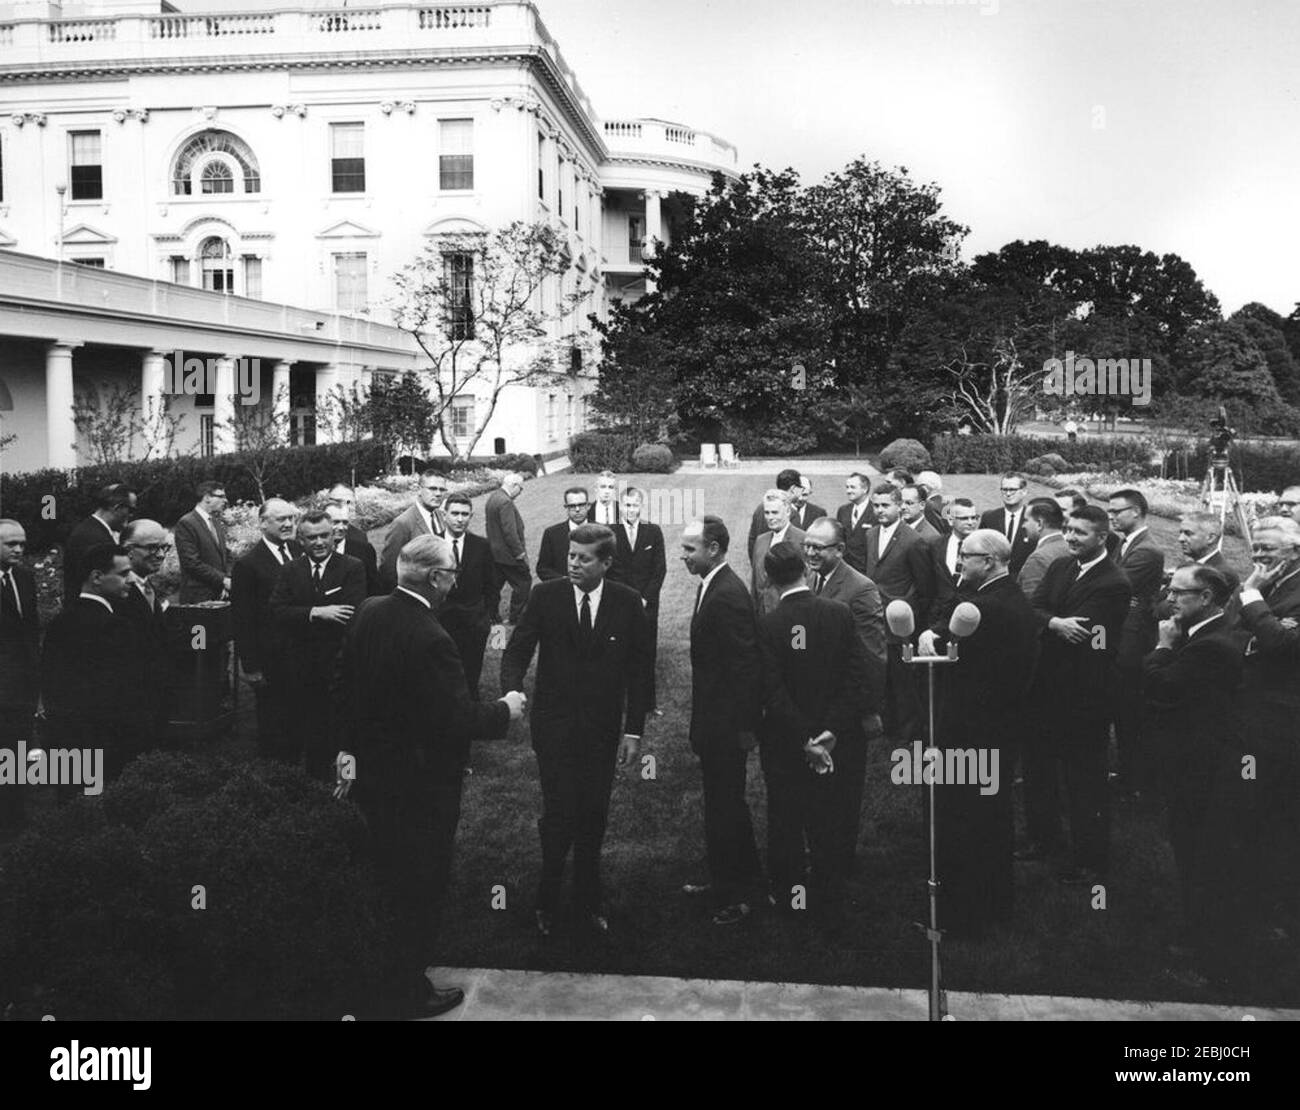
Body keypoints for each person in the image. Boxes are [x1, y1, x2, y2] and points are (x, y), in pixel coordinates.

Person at [334, 535, 524, 1018]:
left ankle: (374, 972)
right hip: (421, 786)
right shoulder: (431, 636)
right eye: (452, 573)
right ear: (437, 578)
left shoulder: (370, 611)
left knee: (381, 875)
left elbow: (347, 687)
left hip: (374, 776)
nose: (455, 580)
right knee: (419, 883)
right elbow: (455, 719)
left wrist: (347, 750)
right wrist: (505, 709)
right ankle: (406, 989)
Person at [500, 523, 652, 937]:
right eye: (570, 556)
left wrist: (633, 732)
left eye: (584, 559)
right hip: (554, 729)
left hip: (602, 732)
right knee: (559, 814)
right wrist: (511, 691)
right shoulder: (545, 596)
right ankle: (546, 901)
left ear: (606, 562)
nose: (573, 564)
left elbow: (641, 672)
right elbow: (516, 652)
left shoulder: (626, 602)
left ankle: (589, 900)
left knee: (593, 816)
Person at [917, 529, 1039, 936]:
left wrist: (935, 645)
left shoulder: (984, 607)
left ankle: (964, 911)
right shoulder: (1009, 598)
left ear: (988, 561)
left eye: (965, 556)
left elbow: (960, 663)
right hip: (1000, 728)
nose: (958, 563)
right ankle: (993, 903)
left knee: (966, 820)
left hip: (973, 732)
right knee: (990, 818)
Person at [756, 541, 870, 922]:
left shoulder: (770, 624)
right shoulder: (839, 614)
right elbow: (856, 676)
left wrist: (805, 738)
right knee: (828, 819)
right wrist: (830, 733)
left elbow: (772, 690)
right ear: (805, 569)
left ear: (768, 578)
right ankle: (828, 897)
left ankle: (793, 899)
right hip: (832, 739)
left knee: (786, 821)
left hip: (787, 743)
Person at [1142, 564, 1243, 976]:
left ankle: (1206, 946)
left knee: (1198, 854)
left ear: (1205, 599)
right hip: (1199, 761)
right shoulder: (1208, 635)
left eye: (1179, 592)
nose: (1170, 598)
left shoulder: (1209, 645)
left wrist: (1163, 646)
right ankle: (1198, 931)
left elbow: (1162, 686)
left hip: (1199, 767)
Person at [1026, 506, 1131, 884]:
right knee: (1038, 770)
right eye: (1068, 530)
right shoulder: (1060, 567)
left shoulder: (1113, 582)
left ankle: (1090, 861)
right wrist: (1054, 622)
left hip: (1085, 696)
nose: (1070, 538)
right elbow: (1034, 608)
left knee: (1084, 781)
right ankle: (1044, 840)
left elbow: (1084, 635)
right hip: (1046, 688)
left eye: (1080, 533)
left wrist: (1050, 624)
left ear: (1102, 537)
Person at [679, 516, 765, 926]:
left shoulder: (727, 594)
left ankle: (735, 896)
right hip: (716, 722)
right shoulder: (713, 585)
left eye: (689, 549)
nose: (683, 556)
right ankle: (738, 880)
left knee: (724, 808)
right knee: (725, 806)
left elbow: (745, 666)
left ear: (712, 548)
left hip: (726, 728)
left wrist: (744, 728)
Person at [802, 517, 886, 875]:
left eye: (818, 547)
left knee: (842, 792)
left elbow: (872, 658)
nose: (809, 552)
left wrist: (862, 712)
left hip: (845, 711)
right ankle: (818, 853)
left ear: (840, 550)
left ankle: (838, 864)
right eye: (806, 545)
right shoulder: (809, 579)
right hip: (813, 704)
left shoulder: (860, 589)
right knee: (815, 791)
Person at [1235, 516, 1300, 936]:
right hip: (1253, 706)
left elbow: (1279, 644)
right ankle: (1256, 892)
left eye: (1268, 550)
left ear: (1295, 550)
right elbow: (1232, 629)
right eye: (1255, 548)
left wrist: (1253, 598)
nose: (1259, 557)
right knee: (1253, 808)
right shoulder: (1269, 580)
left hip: (1284, 717)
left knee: (1279, 813)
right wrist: (1261, 626)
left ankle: (1277, 907)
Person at [271, 510, 367, 779]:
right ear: (300, 540)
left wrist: (300, 615)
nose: (319, 542)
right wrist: (316, 612)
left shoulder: (352, 567)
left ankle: (347, 782)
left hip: (339, 663)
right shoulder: (290, 570)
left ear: (333, 536)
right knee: (310, 728)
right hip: (302, 664)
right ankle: (315, 784)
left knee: (344, 730)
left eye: (325, 535)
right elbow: (278, 610)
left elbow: (352, 612)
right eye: (311, 537)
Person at [41, 543, 135, 785]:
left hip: (66, 740)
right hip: (104, 739)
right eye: (124, 573)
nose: (132, 580)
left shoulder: (60, 622)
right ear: (96, 577)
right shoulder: (114, 626)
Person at [231, 498, 300, 760]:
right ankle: (275, 773)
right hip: (271, 656)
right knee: (273, 719)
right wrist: (250, 666)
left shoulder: (296, 549)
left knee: (298, 715)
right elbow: (243, 619)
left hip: (299, 649)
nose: (288, 524)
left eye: (291, 518)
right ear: (262, 523)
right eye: (280, 519)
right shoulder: (248, 565)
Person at [865, 485, 933, 748]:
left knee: (904, 681)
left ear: (898, 506)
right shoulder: (871, 534)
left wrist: (910, 619)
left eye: (885, 505)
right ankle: (888, 724)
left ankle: (908, 733)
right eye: (876, 505)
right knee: (882, 676)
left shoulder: (913, 540)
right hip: (875, 619)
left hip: (902, 623)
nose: (880, 510)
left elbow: (924, 587)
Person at [1108, 489, 1165, 794]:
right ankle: (1131, 774)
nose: (1111, 516)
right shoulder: (1126, 543)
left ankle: (1137, 779)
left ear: (1136, 512)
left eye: (1116, 511)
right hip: (1125, 631)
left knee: (1130, 710)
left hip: (1133, 638)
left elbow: (1114, 584)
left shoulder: (1147, 550)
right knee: (1124, 708)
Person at [609, 487, 667, 713]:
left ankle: (647, 703)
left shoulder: (653, 532)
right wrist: (627, 599)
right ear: (620, 506)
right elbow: (610, 571)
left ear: (641, 507)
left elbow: (659, 570)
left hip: (647, 604)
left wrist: (644, 598)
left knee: (646, 652)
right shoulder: (610, 532)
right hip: (619, 603)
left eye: (634, 505)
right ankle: (617, 701)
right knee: (617, 651)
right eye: (626, 505)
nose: (630, 510)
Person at [114, 519, 172, 747]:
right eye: (152, 548)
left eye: (164, 547)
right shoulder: (119, 593)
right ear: (128, 551)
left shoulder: (147, 586)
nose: (160, 555)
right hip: (129, 701)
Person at [438, 493, 500, 700]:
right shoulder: (433, 543)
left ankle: (470, 714)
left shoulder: (481, 545)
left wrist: (488, 617)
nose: (459, 519)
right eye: (454, 513)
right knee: (442, 672)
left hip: (473, 622)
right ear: (444, 515)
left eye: (465, 514)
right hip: (440, 621)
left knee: (470, 673)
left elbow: (492, 585)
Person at [0, 519, 39, 828]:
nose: (18, 549)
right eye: (10, 544)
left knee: (18, 751)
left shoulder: (24, 578)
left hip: (21, 684)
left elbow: (31, 628)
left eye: (22, 544)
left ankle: (16, 816)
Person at [63, 483, 135, 602]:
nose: (132, 515)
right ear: (117, 508)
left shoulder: (91, 529)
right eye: (131, 510)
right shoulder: (92, 537)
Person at [379, 469, 448, 590]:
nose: (438, 494)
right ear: (418, 490)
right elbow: (388, 570)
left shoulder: (440, 516)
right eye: (432, 488)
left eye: (442, 489)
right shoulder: (402, 524)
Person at [751, 488, 806, 617]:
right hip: (763, 616)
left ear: (787, 511)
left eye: (775, 512)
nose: (770, 518)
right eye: (767, 513)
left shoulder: (802, 539)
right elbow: (755, 583)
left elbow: (807, 581)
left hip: (791, 616)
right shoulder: (761, 540)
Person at [485, 471, 530, 625]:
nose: (521, 492)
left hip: (495, 553)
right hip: (509, 555)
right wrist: (520, 553)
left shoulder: (493, 497)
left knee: (494, 586)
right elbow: (509, 531)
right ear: (514, 485)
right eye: (521, 488)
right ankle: (516, 617)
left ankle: (491, 615)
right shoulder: (505, 502)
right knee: (523, 583)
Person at [174, 481, 231, 602]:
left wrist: (227, 579)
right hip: (198, 598)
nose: (225, 501)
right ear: (207, 498)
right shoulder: (186, 523)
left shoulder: (216, 522)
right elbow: (191, 563)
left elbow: (224, 555)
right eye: (221, 496)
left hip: (220, 596)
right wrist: (223, 580)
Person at [927, 498, 980, 626]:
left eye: (974, 518)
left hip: (972, 618)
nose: (970, 522)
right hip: (938, 618)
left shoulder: (984, 547)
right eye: (964, 518)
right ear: (951, 520)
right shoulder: (935, 546)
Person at [326, 485, 379, 595]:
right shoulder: (307, 539)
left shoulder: (360, 539)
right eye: (337, 501)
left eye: (349, 502)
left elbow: (372, 586)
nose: (344, 506)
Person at [980, 471, 1035, 576]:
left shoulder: (1033, 519)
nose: (1008, 494)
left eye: (1012, 490)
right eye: (1005, 489)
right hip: (994, 580)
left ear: (1024, 492)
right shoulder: (989, 518)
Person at [747, 469, 804, 562]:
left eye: (774, 513)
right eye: (800, 488)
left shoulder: (759, 508)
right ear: (793, 488)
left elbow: (751, 541)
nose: (770, 517)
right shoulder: (793, 514)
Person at [1018, 498, 1069, 601]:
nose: (1023, 526)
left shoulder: (1038, 559)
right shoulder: (1069, 549)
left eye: (1026, 520)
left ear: (1040, 524)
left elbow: (1030, 604)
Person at [538, 487, 591, 581]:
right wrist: (564, 581)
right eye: (572, 506)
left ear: (588, 505)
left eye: (581, 505)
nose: (577, 509)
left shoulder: (602, 532)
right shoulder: (552, 534)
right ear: (566, 507)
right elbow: (543, 569)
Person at [836, 471, 875, 573]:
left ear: (865, 489)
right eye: (847, 487)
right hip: (844, 569)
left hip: (866, 570)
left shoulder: (875, 511)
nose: (848, 491)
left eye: (853, 487)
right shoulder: (843, 510)